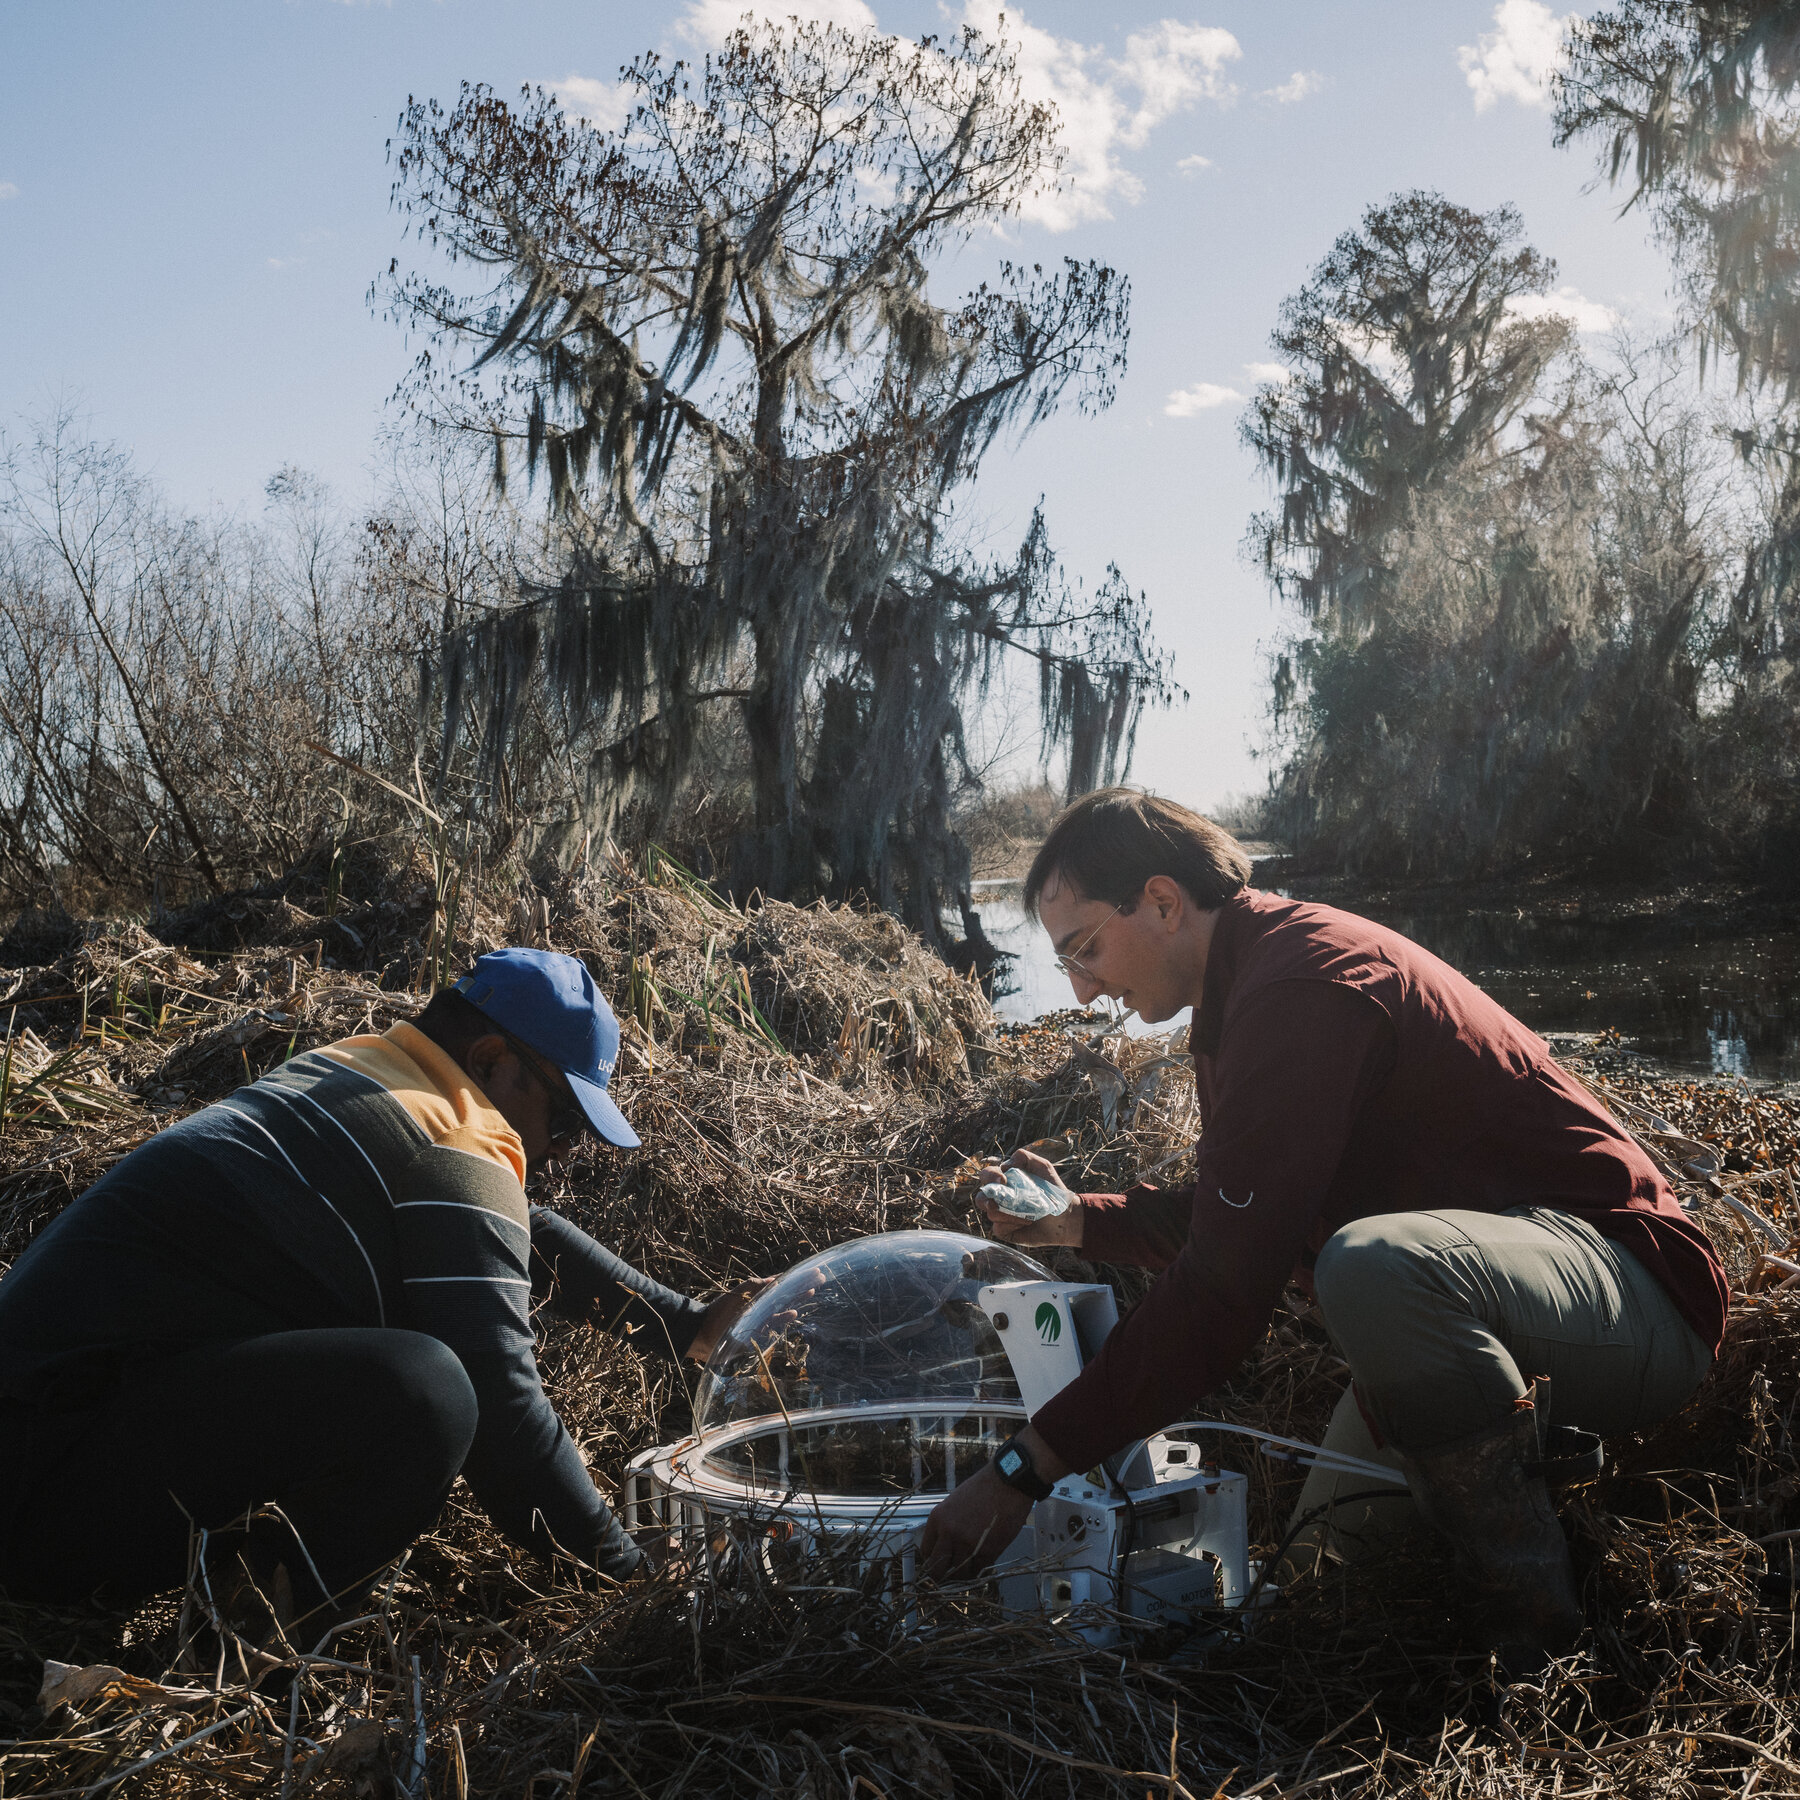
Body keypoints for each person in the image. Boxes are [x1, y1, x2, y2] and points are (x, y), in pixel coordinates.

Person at [920, 789, 1727, 1661]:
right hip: (1478, 1309)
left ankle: (1537, 1647)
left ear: (1161, 901)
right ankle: (1510, 1516)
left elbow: (1222, 1293)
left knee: (1372, 1266)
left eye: (1083, 950)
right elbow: (1243, 1214)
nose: (1078, 989)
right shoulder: (1242, 990)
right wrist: (1079, 1221)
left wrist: (1023, 1470)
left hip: (1634, 1295)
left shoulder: (1300, 981)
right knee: (1303, 1598)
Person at [0, 947, 755, 1632]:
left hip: (45, 1435)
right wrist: (628, 1578)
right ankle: (245, 1647)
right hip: (46, 1500)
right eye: (563, 1117)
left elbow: (520, 1229)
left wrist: (682, 1323)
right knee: (428, 1394)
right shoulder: (460, 1139)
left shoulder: (366, 1072)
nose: (561, 1149)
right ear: (491, 1060)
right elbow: (500, 1406)